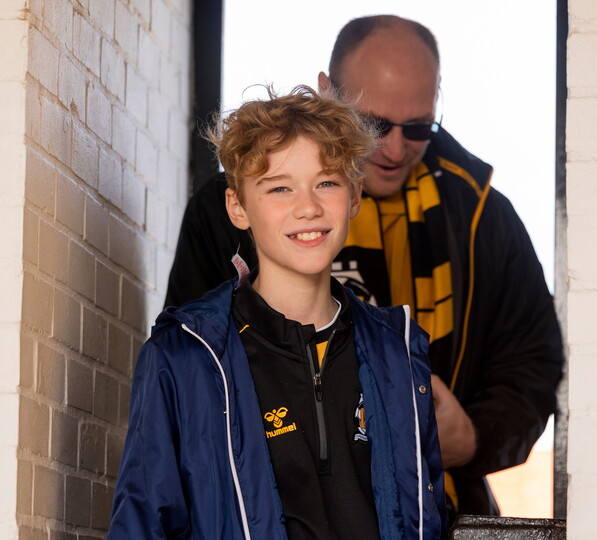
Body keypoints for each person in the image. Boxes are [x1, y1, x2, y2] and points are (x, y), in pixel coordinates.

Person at [165, 15, 564, 516]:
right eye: (374, 125)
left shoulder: (483, 213)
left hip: (435, 506)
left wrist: (474, 436)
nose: (395, 150)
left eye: (418, 127)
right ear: (327, 91)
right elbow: (192, 374)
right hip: (274, 506)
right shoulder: (230, 208)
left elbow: (533, 359)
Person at [107, 86, 446, 539]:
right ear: (238, 207)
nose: (307, 207)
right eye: (279, 188)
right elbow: (143, 525)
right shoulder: (185, 356)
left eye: (326, 182)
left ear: (355, 196)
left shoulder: (398, 353)